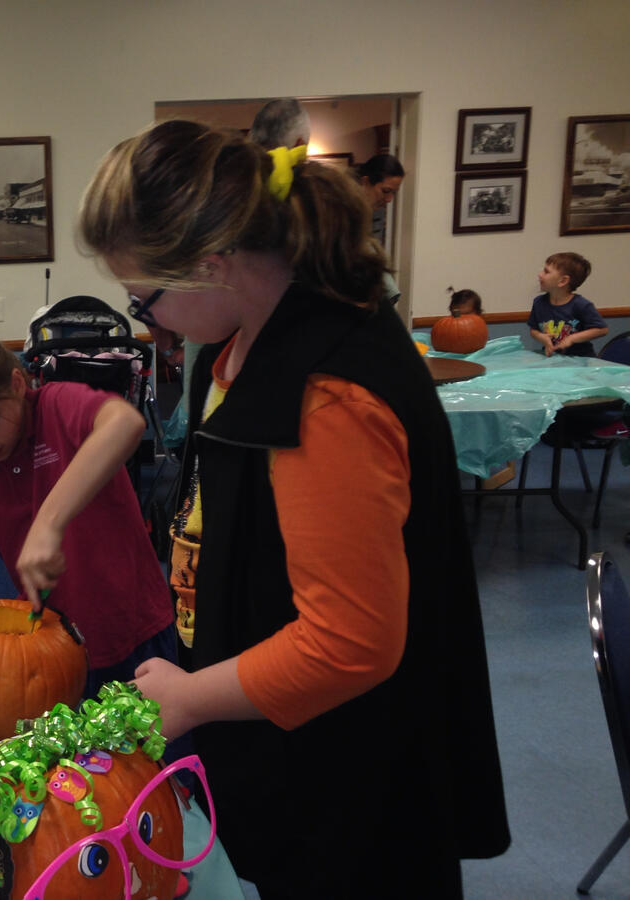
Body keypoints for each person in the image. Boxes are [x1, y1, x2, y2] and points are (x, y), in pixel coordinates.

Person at [78, 119, 509, 897]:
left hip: (347, 773)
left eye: (145, 298)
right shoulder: (240, 337)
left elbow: (350, 643)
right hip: (272, 735)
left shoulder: (329, 392)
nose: (148, 320)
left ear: (212, 264)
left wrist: (187, 698)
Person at [0, 322, 177, 700]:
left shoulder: (58, 405)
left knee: (145, 754)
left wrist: (48, 522)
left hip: (135, 633)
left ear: (18, 384)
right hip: (55, 648)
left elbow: (125, 422)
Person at [528, 251, 606, 357]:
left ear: (563, 281)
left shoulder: (581, 305)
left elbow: (601, 329)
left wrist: (572, 338)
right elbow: (534, 330)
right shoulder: (539, 303)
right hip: (553, 359)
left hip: (580, 361)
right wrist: (541, 337)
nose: (540, 275)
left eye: (546, 272)